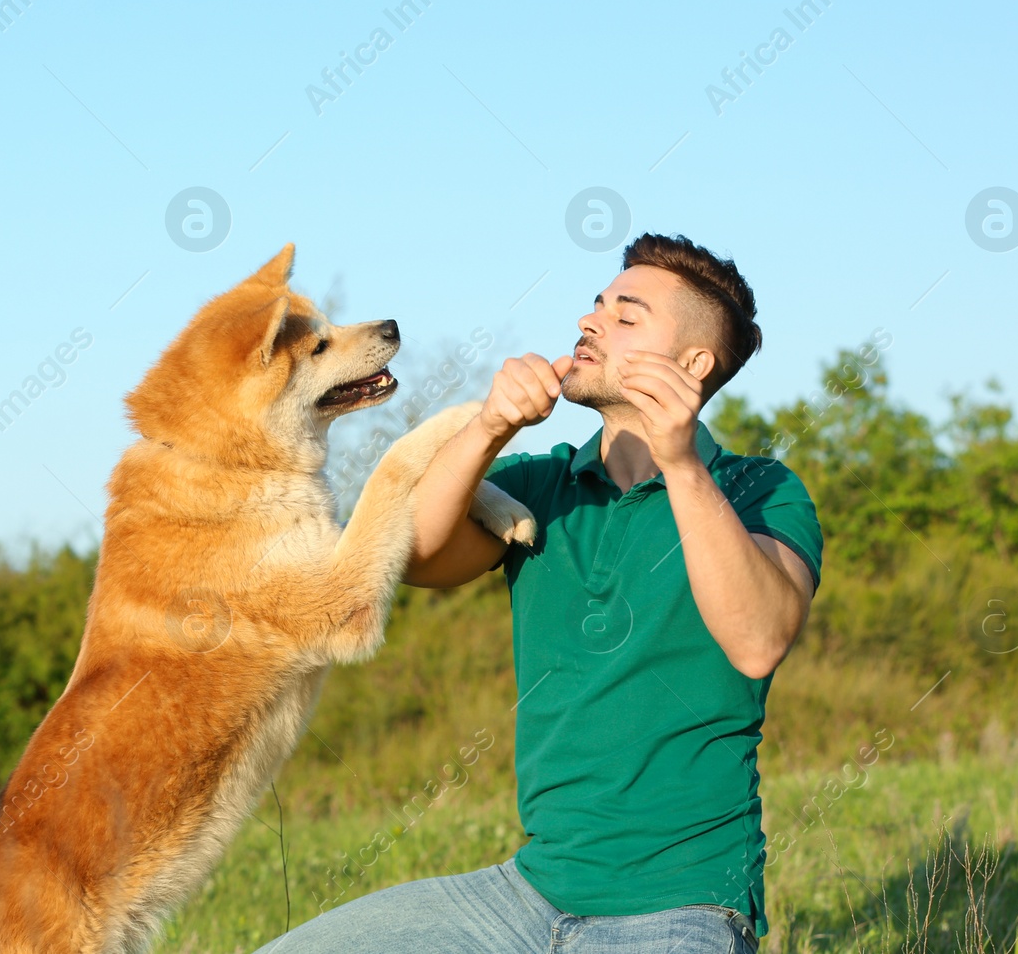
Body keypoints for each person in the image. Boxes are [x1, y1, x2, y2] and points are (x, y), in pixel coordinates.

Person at [259, 233, 822, 953]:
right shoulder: (542, 483)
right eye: (596, 305)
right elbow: (423, 555)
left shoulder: (762, 490)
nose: (590, 322)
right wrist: (490, 425)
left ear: (693, 364)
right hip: (525, 895)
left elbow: (757, 638)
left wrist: (680, 463)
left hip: (682, 905)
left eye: (627, 316)